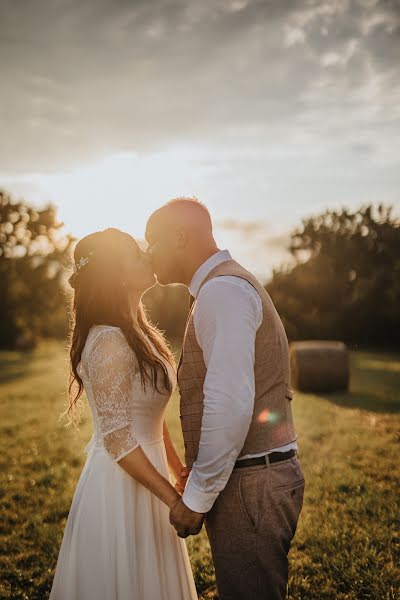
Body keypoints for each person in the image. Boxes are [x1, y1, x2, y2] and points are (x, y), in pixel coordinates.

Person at [145, 198, 306, 600]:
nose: (148, 254)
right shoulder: (222, 288)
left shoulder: (222, 293)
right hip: (251, 480)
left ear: (180, 238)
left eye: (153, 242)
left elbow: (228, 402)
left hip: (251, 486)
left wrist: (197, 497)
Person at [49, 228, 197, 600]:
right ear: (116, 273)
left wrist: (178, 473)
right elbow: (117, 437)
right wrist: (174, 501)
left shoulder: (139, 332)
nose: (147, 255)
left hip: (152, 476)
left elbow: (150, 417)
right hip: (119, 488)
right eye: (135, 252)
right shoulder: (109, 341)